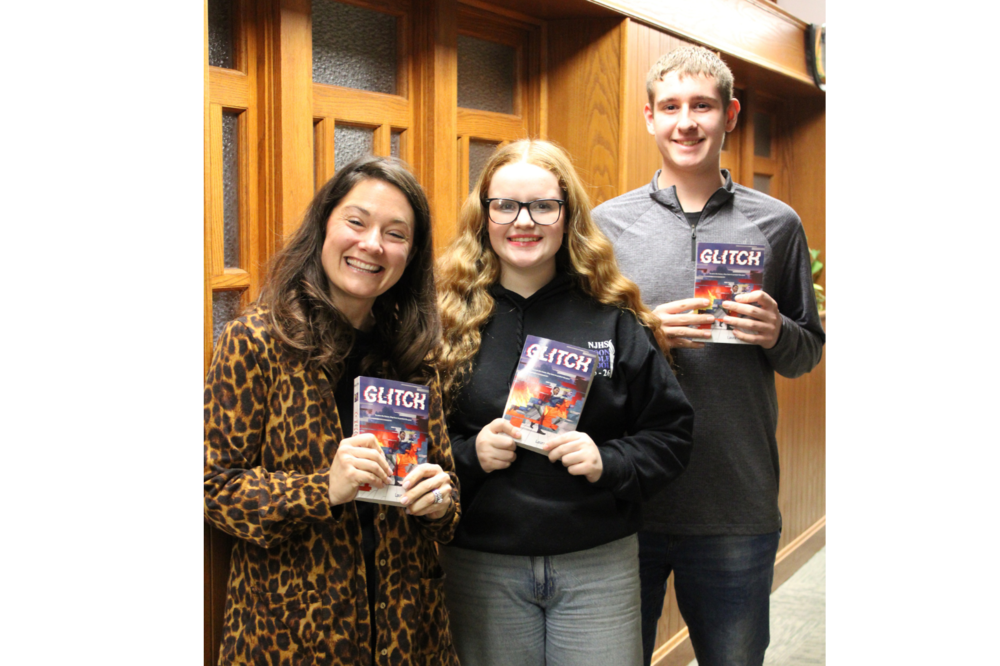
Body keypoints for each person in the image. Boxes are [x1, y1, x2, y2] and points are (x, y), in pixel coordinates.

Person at [591, 46, 827, 666]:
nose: (685, 122)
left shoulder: (778, 224)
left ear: (731, 115)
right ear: (648, 117)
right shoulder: (604, 227)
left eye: (702, 105)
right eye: (670, 107)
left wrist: (778, 331)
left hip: (735, 502)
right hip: (625, 498)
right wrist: (643, 333)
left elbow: (806, 354)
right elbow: (579, 361)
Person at [435, 139, 695, 666]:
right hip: (483, 563)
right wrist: (469, 454)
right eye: (504, 205)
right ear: (483, 215)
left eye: (543, 206)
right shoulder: (442, 319)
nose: (523, 221)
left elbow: (670, 435)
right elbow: (407, 444)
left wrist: (608, 460)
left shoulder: (614, 318)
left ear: (567, 214)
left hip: (597, 563)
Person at [202, 156, 461, 666]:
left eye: (395, 233)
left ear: (411, 254)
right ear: (324, 226)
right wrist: (323, 489)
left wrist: (439, 501)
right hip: (291, 633)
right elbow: (215, 489)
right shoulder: (257, 341)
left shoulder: (409, 352)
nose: (372, 245)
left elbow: (448, 493)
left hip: (406, 630)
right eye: (357, 222)